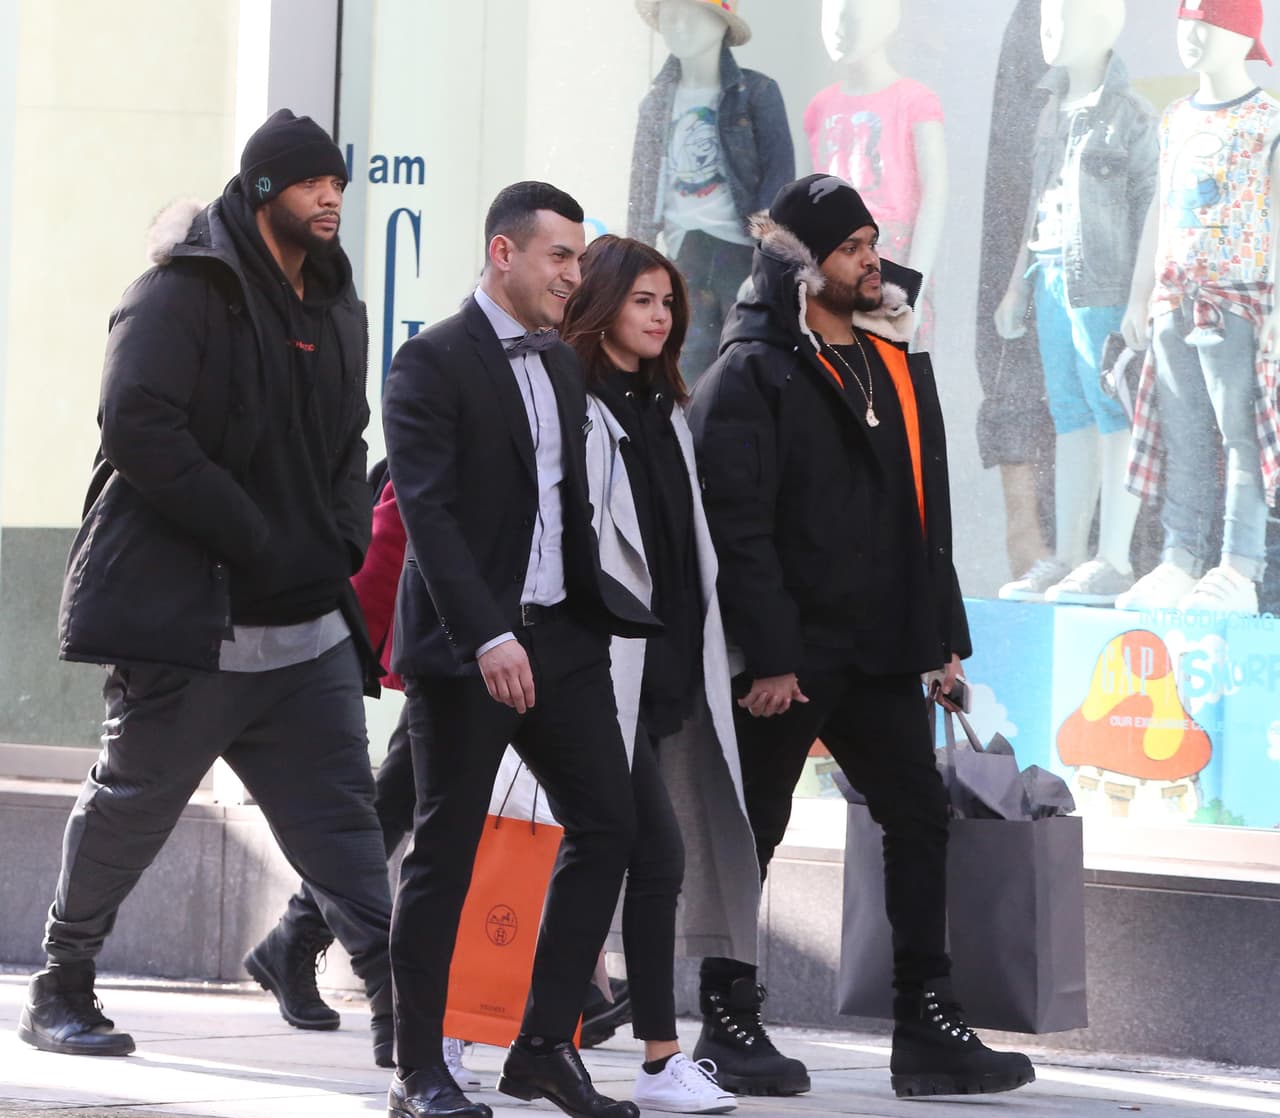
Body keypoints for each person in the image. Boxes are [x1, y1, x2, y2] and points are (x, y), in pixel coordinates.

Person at [19, 109, 394, 1066]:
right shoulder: (181, 290)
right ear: (264, 190)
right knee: (130, 808)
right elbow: (137, 424)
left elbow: (348, 438)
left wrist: (342, 539)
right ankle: (61, 986)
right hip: (196, 620)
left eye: (338, 185)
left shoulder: (337, 303)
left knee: (345, 827)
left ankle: (406, 1014)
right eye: (312, 184)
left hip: (305, 626)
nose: (331, 200)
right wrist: (255, 536)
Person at [686, 173, 1036, 1099]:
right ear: (802, 265)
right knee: (753, 830)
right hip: (793, 656)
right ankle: (726, 1021)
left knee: (918, 817)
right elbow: (736, 528)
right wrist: (768, 656)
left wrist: (943, 638)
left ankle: (926, 1024)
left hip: (881, 646)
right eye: (850, 248)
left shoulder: (890, 359)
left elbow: (925, 511)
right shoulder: (751, 370)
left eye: (872, 242)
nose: (871, 259)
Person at [382, 181, 657, 1118]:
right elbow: (429, 517)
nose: (575, 275)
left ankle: (542, 1049)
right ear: (504, 253)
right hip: (470, 650)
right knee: (446, 854)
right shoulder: (431, 360)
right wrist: (488, 635)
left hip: (562, 638)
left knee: (609, 823)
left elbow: (564, 506)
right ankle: (418, 1070)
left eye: (579, 257)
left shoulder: (563, 365)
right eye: (559, 257)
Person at [560, 234, 763, 1113]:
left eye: (667, 302)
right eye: (641, 300)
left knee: (610, 855)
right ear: (602, 305)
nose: (660, 316)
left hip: (658, 673)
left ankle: (534, 1034)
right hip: (589, 671)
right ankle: (654, 1056)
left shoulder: (665, 409)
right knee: (649, 853)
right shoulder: (577, 406)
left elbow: (685, 553)